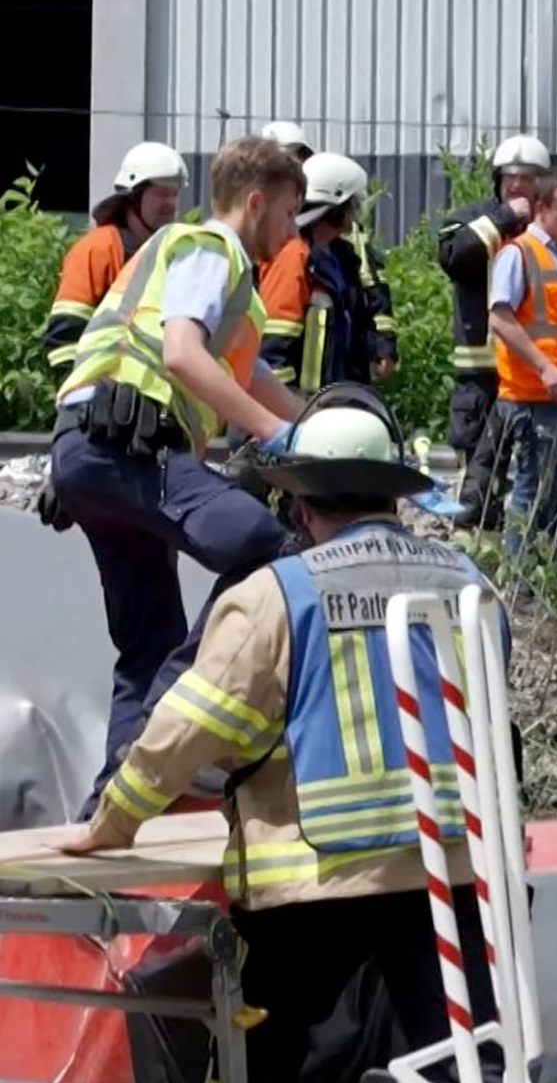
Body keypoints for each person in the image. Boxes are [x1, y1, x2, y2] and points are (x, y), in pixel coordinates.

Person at [55, 386, 502, 1083]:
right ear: (393, 494)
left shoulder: (275, 594)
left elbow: (189, 729)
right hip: (444, 870)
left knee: (260, 1064)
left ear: (299, 500)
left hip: (313, 878)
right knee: (469, 1067)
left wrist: (111, 823)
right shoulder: (468, 581)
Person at [45, 136, 307, 819]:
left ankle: (112, 807)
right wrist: (278, 436)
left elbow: (254, 380)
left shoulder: (226, 293)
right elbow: (185, 357)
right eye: (287, 212)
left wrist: (321, 427)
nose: (291, 230)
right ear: (254, 202)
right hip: (130, 448)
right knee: (266, 543)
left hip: (91, 453)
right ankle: (177, 727)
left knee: (149, 641)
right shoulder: (210, 250)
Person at [438, 134, 551, 534]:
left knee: (536, 469)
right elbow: (454, 255)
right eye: (511, 176)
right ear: (498, 180)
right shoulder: (475, 218)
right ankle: (478, 553)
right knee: (481, 470)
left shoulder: (551, 229)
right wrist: (505, 219)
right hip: (482, 375)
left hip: (533, 373)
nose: (518, 185)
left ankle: (526, 549)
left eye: (528, 177)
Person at [487, 169, 557, 580]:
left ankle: (556, 573)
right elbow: (501, 318)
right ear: (542, 207)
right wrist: (545, 366)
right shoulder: (519, 254)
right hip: (529, 396)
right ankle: (519, 581)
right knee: (534, 489)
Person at [41, 142, 188, 388]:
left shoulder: (173, 253)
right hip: (101, 397)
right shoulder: (99, 248)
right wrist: (82, 395)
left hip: (152, 397)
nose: (171, 204)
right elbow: (64, 336)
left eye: (174, 194)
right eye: (162, 194)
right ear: (134, 196)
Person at [257, 152, 391, 396]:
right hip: (302, 409)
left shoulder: (342, 256)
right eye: (353, 204)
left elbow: (355, 321)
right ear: (335, 206)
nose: (356, 212)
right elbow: (274, 347)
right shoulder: (293, 256)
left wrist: (379, 346)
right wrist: (287, 409)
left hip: (336, 400)